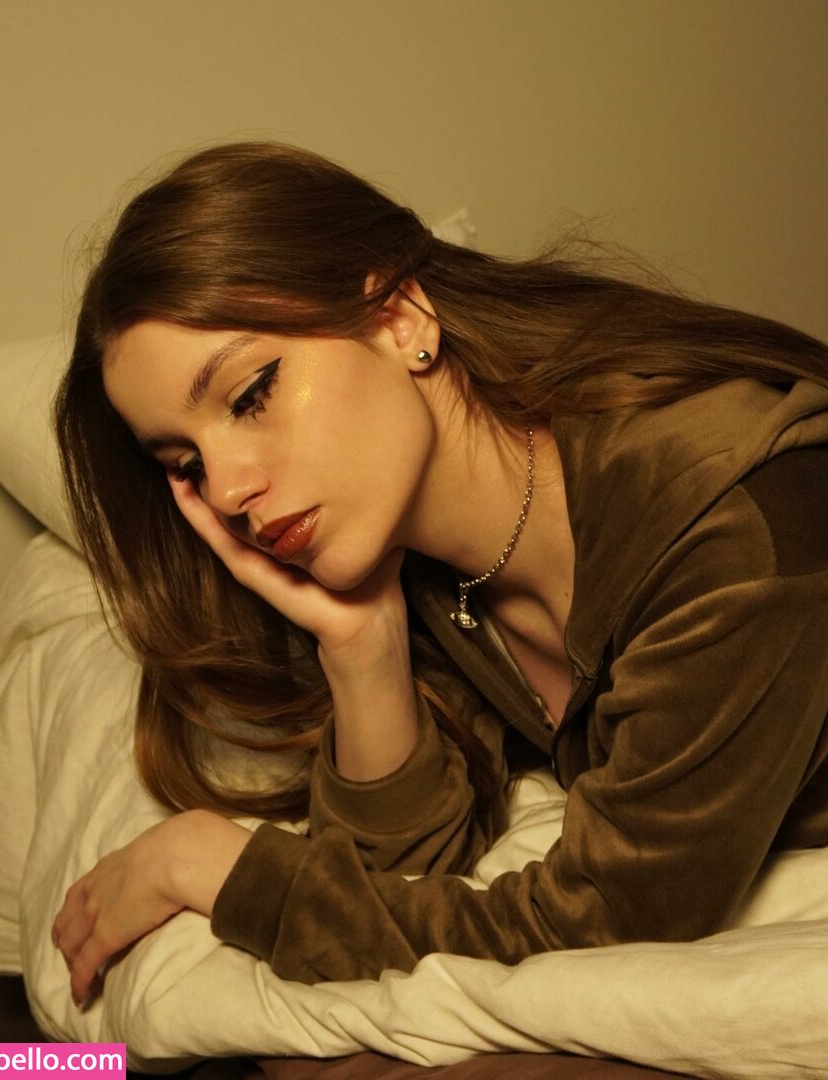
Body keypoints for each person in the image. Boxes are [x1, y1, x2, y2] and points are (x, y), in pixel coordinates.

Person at [51, 142, 828, 1006]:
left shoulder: (732, 522)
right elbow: (392, 882)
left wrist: (223, 870)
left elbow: (608, 923)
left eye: (251, 394)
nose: (229, 489)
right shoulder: (433, 575)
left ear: (400, 318)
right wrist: (362, 642)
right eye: (187, 462)